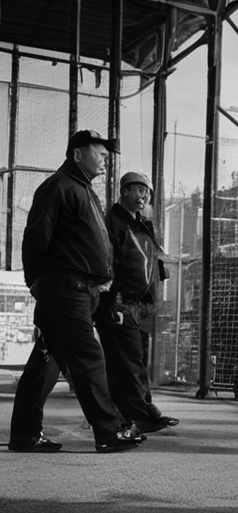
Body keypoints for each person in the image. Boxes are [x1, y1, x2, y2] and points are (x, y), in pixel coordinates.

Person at [7, 130, 145, 453]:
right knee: (89, 358)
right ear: (78, 154)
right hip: (65, 288)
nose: (105, 159)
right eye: (100, 153)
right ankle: (109, 433)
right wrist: (35, 281)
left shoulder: (82, 189)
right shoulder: (59, 186)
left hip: (75, 289)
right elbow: (35, 236)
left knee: (46, 360)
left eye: (107, 155)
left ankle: (25, 434)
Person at [95, 171, 179, 433]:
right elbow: (106, 264)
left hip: (140, 305)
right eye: (139, 190)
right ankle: (138, 416)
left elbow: (148, 261)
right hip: (121, 303)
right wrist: (111, 303)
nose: (144, 196)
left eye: (147, 192)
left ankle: (142, 411)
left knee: (136, 360)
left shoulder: (142, 223)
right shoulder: (113, 222)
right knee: (129, 362)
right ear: (124, 191)